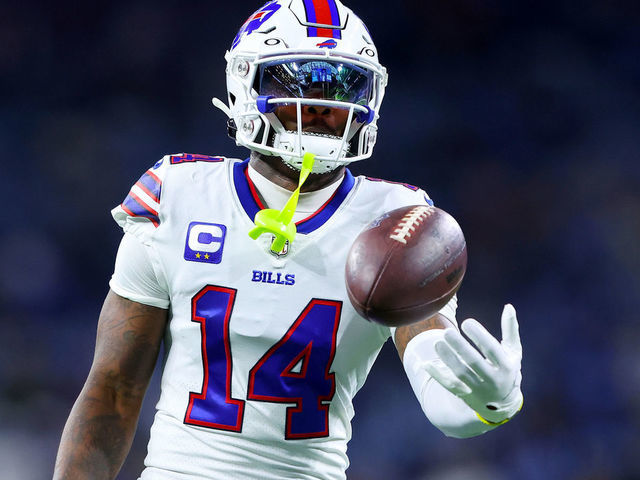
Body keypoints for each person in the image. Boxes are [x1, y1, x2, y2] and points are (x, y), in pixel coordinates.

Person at [53, 1, 523, 479]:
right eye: (297, 81)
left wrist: (487, 402)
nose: (321, 105)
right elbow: (112, 389)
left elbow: (439, 380)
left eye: (343, 85)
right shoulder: (177, 195)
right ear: (245, 84)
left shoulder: (398, 221)